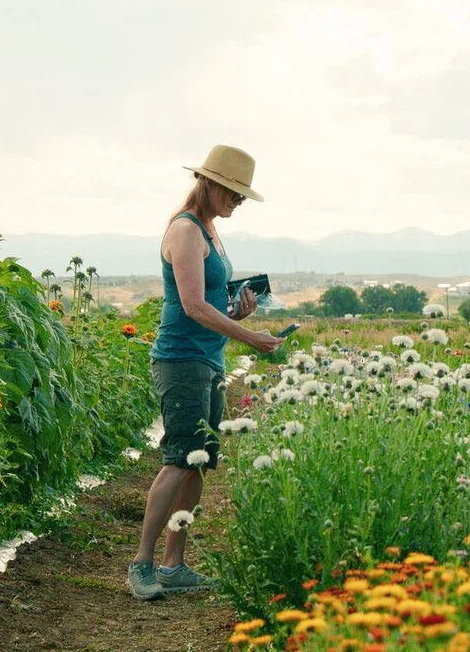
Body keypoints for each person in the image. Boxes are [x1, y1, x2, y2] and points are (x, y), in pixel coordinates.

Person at [129, 144, 285, 600]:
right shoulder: (186, 231)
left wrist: (239, 312)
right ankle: (141, 563)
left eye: (242, 196)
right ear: (211, 184)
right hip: (181, 360)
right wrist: (249, 338)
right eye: (234, 194)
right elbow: (192, 306)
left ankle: (173, 564)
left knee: (199, 462)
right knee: (179, 459)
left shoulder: (212, 231)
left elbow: (210, 302)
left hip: (209, 359)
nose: (238, 202)